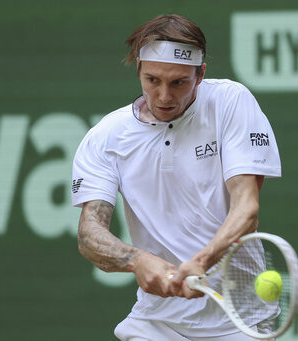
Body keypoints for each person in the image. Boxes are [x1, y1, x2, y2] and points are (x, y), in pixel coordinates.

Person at [72, 14, 281, 341]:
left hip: (240, 317)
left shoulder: (230, 103)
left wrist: (202, 260)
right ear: (139, 68)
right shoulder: (106, 138)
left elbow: (246, 208)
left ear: (201, 75)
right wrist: (137, 260)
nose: (164, 97)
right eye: (152, 80)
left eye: (178, 82)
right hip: (157, 323)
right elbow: (89, 234)